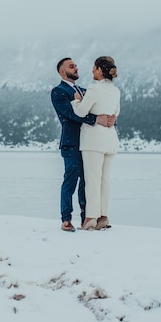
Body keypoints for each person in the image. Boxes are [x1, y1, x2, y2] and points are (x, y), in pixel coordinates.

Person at [51, 57, 116, 232]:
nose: (77, 68)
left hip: (90, 142)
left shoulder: (84, 90)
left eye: (76, 65)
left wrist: (109, 118)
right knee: (70, 180)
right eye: (72, 66)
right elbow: (70, 113)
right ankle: (66, 219)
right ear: (62, 72)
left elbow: (96, 106)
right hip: (71, 142)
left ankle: (87, 218)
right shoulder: (58, 91)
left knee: (89, 182)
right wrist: (97, 119)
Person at [71, 56, 120, 230]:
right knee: (105, 180)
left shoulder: (93, 89)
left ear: (100, 70)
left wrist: (77, 100)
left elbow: (81, 112)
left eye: (94, 67)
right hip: (111, 140)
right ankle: (104, 217)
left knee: (92, 180)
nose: (92, 70)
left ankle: (90, 217)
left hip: (93, 141)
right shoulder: (115, 91)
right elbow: (115, 114)